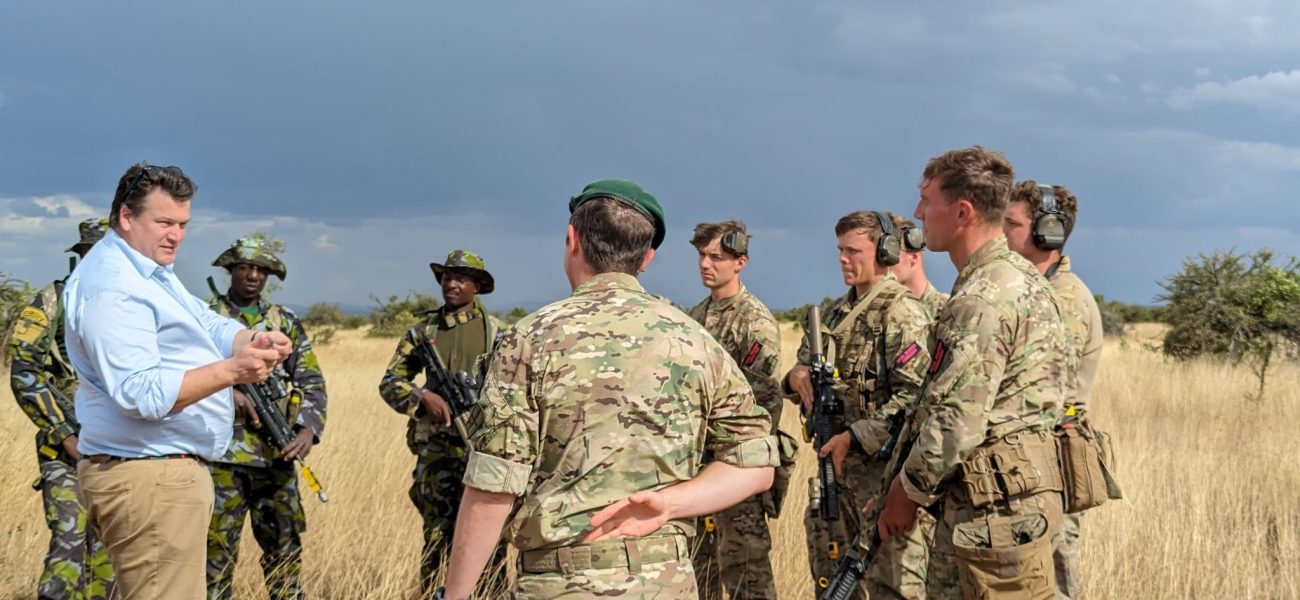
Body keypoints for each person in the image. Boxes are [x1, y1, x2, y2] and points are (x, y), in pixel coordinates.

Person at [443, 178, 778, 599]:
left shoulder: (529, 338)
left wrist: (455, 593)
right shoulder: (694, 338)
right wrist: (672, 504)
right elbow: (756, 464)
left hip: (560, 582)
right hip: (666, 584)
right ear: (647, 258)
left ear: (572, 240)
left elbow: (494, 484)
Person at [63, 163, 291, 599]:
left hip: (160, 476)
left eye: (183, 224)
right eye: (164, 222)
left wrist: (252, 338)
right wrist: (234, 371)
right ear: (127, 217)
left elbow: (205, 323)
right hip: (148, 478)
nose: (176, 235)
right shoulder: (114, 288)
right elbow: (140, 395)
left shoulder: (148, 271)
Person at [876, 147, 1072, 600]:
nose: (918, 212)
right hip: (1015, 502)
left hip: (991, 514)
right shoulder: (1019, 277)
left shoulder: (982, 297)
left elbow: (957, 422)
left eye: (927, 200)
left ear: (962, 212)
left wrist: (905, 493)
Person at [784, 210, 933, 599]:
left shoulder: (900, 312)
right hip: (834, 474)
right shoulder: (832, 314)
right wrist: (796, 376)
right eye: (840, 250)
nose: (843, 259)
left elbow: (914, 396)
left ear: (884, 251)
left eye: (853, 250)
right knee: (831, 580)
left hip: (880, 480)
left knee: (890, 585)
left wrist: (853, 437)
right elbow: (802, 363)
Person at [205, 238, 328, 600]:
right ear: (231, 270)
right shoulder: (206, 316)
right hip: (221, 459)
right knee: (214, 556)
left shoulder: (283, 321)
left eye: (261, 270)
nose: (253, 275)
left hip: (277, 457)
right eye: (245, 267)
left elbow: (311, 380)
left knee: (285, 554)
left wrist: (308, 429)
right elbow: (184, 375)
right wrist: (230, 393)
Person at [377, 249, 504, 594]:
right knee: (436, 540)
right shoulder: (422, 332)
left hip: (486, 452)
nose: (451, 283)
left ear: (477, 285)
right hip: (437, 456)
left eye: (461, 277)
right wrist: (421, 398)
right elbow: (390, 382)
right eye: (447, 276)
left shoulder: (499, 333)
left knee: (490, 543)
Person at [1004, 181, 1105, 600]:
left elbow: (1043, 392)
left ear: (1048, 231)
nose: (1001, 231)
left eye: (1011, 223)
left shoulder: (1064, 299)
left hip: (1050, 462)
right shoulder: (1035, 289)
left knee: (1052, 582)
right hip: (1032, 463)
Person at [8, 218, 115, 600]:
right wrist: (65, 435)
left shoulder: (130, 304)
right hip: (64, 447)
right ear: (80, 255)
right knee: (70, 541)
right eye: (91, 253)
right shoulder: (52, 300)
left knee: (109, 551)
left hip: (119, 449)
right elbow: (24, 373)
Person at [685, 220, 790, 600]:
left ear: (740, 262)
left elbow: (762, 405)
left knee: (747, 574)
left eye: (717, 257)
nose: (705, 264)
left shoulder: (754, 320)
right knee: (699, 574)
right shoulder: (694, 318)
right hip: (696, 468)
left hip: (737, 469)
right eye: (701, 255)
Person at [891, 215, 949, 318]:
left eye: (891, 254)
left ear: (914, 257)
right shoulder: (877, 313)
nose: (881, 263)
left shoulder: (948, 311)